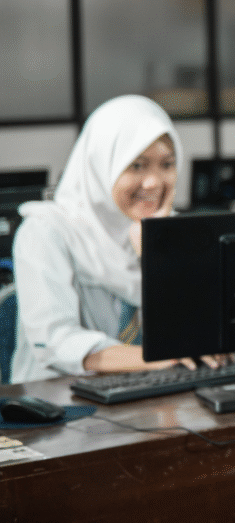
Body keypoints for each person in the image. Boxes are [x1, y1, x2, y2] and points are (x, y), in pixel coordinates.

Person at [11, 94, 220, 383]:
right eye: (137, 165)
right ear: (100, 164)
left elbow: (194, 330)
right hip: (56, 404)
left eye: (167, 164)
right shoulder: (46, 232)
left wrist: (156, 255)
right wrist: (155, 357)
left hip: (147, 396)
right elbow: (56, 343)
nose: (154, 182)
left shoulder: (170, 229)